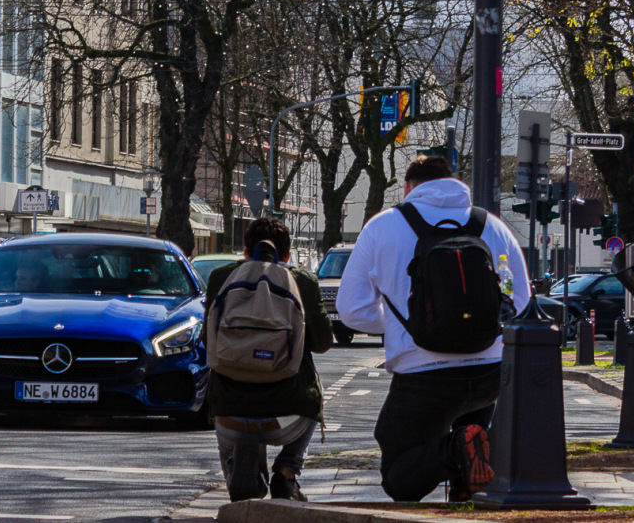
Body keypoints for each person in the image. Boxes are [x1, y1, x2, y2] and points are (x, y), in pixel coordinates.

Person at [336, 155, 530, 503]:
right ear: (452, 181)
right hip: (489, 370)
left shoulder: (383, 227)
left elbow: (351, 309)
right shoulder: (494, 226)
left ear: (408, 187)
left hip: (423, 375)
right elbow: (520, 298)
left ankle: (457, 449)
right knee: (475, 427)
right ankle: (467, 473)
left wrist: (405, 324)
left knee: (400, 478)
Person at [204, 217, 332, 502]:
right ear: (287, 254)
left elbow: (206, 340)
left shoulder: (220, 277)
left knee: (222, 407)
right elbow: (323, 343)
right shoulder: (302, 282)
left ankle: (233, 470)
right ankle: (287, 471)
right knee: (314, 396)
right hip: (287, 419)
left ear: (246, 251)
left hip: (229, 412)